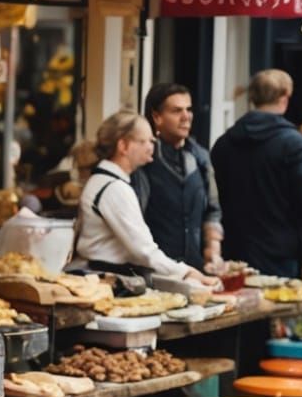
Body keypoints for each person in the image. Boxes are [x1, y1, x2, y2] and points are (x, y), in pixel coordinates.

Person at [209, 69, 302, 277]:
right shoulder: (294, 144)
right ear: (285, 97)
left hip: (234, 249)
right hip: (280, 251)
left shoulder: (224, 143)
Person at [73, 111, 218, 285]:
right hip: (106, 283)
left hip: (103, 279)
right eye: (146, 141)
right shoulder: (115, 189)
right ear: (124, 146)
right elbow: (144, 251)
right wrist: (186, 272)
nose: (152, 146)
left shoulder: (105, 181)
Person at [135, 81, 223, 272]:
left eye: (188, 110)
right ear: (157, 116)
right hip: (154, 272)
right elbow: (136, 221)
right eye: (176, 111)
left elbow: (212, 210)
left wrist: (212, 250)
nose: (186, 117)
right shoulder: (144, 161)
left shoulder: (201, 157)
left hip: (195, 269)